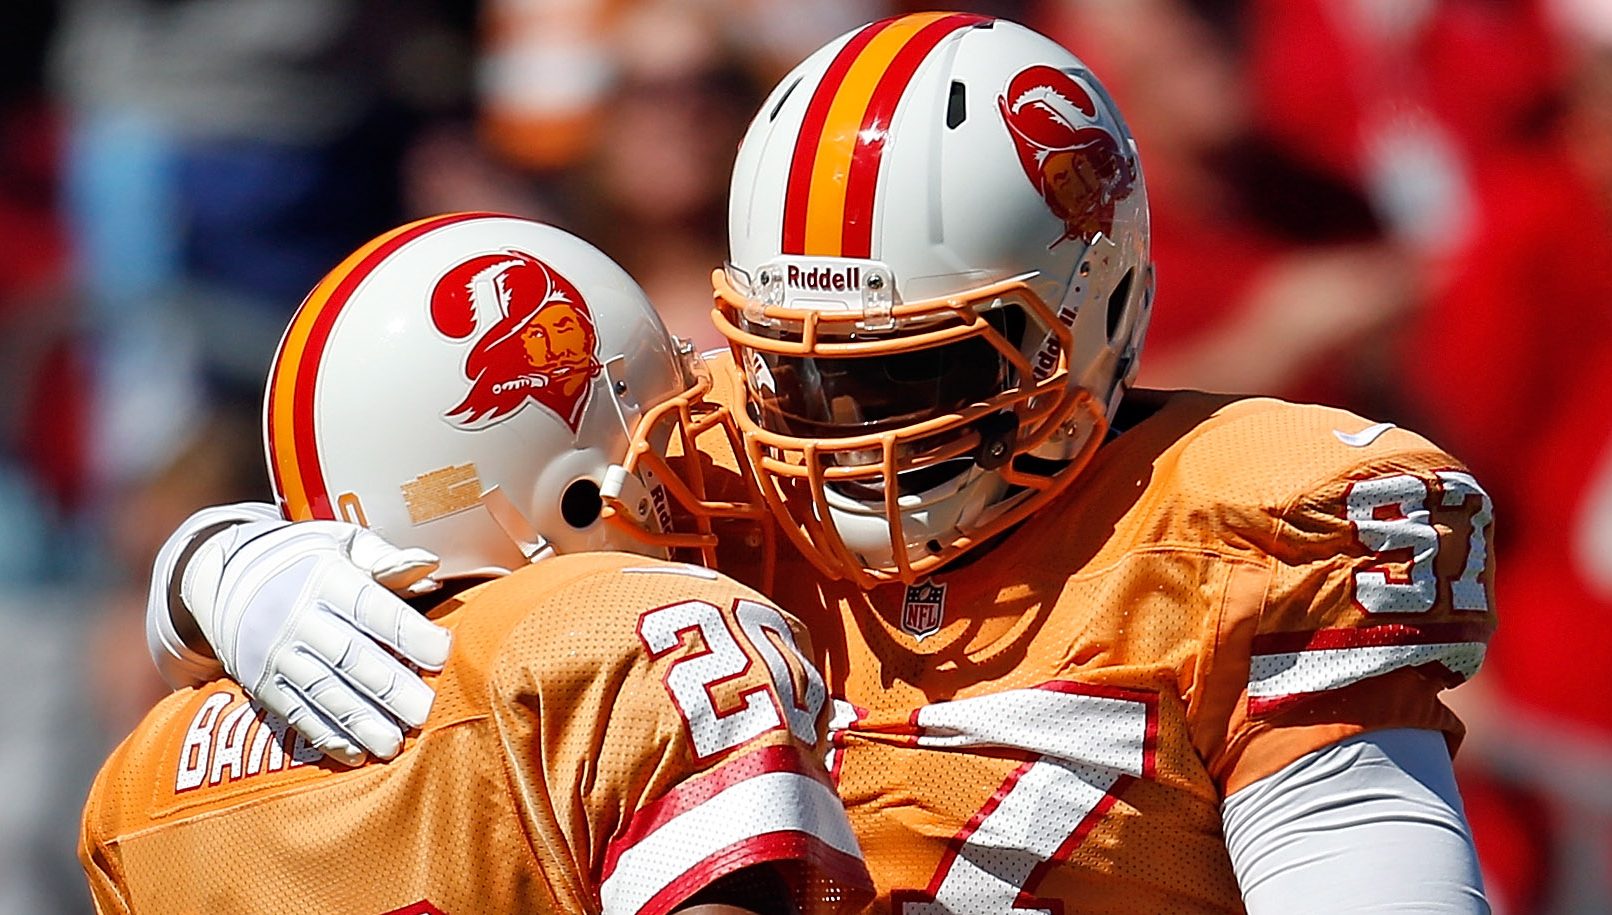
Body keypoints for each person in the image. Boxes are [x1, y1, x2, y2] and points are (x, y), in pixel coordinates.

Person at [141, 14, 1496, 912]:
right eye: (800, 367)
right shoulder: (711, 463)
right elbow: (419, 568)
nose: (849, 431)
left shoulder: (1251, 525)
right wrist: (228, 564)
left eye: (910, 367)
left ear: (1098, 308)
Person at [80, 213, 872, 914]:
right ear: (563, 492)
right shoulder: (639, 646)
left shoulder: (138, 780)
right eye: (658, 442)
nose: (690, 468)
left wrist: (195, 555)